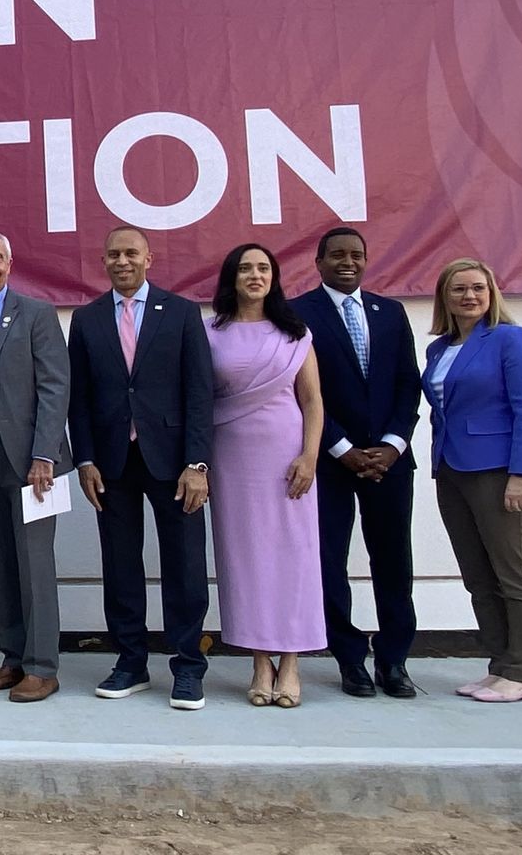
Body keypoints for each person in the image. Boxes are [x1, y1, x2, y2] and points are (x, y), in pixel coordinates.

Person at [67, 226, 215, 710]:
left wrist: (198, 464)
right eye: (114, 254)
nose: (122, 261)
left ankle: (188, 666)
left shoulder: (181, 312)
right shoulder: (87, 320)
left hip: (174, 463)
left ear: (149, 258)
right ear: (103, 261)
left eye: (131, 253)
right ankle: (130, 661)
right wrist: (84, 459)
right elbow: (80, 399)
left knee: (185, 565)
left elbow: (199, 393)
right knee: (121, 564)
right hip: (112, 463)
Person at [290, 227, 423, 699]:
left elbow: (409, 383)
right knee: (329, 563)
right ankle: (350, 660)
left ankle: (394, 660)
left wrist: (393, 443)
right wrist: (341, 447)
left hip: (389, 463)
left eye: (357, 255)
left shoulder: (390, 312)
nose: (348, 262)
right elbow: (301, 392)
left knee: (393, 563)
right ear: (319, 261)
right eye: (338, 255)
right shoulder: (298, 314)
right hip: (329, 463)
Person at [0, 231, 74, 704]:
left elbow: (55, 387)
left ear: (10, 263)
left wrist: (44, 454)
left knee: (34, 563)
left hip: (30, 458)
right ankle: (14, 657)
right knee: (0, 561)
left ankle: (43, 666)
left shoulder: (37, 314)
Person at [422, 258, 522, 703]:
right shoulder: (438, 349)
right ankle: (500, 666)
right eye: (459, 289)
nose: (469, 296)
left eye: (478, 287)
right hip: (451, 470)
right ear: (445, 297)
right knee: (478, 576)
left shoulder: (511, 340)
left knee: (513, 573)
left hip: (498, 472)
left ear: (492, 292)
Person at [204, 244, 325, 708]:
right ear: (231, 277)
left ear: (274, 277)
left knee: (292, 557)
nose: (254, 275)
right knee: (246, 559)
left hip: (286, 457)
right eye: (245, 268)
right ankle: (259, 662)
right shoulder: (210, 332)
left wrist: (309, 456)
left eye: (263, 268)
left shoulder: (295, 333)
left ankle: (291, 663)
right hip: (232, 458)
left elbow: (312, 401)